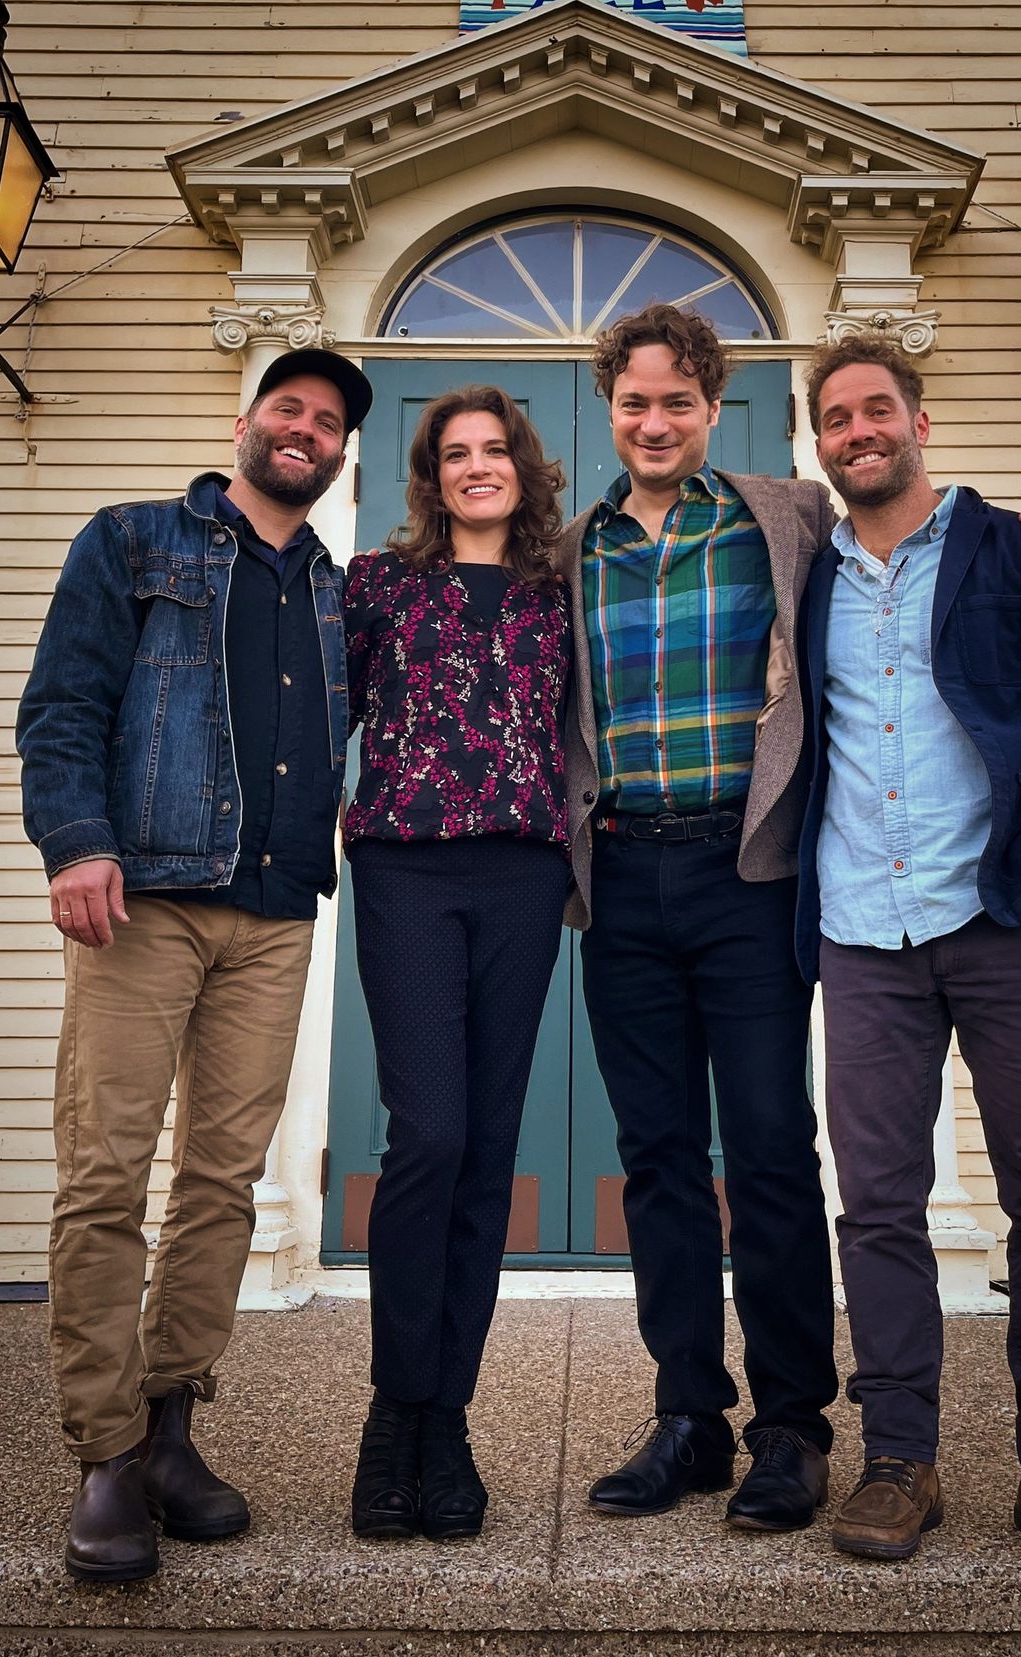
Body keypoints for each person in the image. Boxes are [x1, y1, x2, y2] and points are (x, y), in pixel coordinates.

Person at [556, 303, 1021, 1532]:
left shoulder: (784, 516)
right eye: (634, 402)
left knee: (775, 1151)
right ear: (610, 408)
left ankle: (790, 1425)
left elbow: (922, 527)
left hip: (754, 876)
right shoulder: (568, 548)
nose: (654, 420)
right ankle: (689, 1414)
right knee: (657, 1162)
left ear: (712, 408)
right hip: (626, 877)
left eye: (677, 401)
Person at [15, 347, 372, 1583]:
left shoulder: (339, 585)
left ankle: (171, 1425)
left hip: (275, 912)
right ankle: (104, 1452)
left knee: (222, 1181)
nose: (306, 431)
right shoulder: (131, 541)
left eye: (328, 423)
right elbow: (63, 703)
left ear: (338, 456)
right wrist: (75, 841)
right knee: (105, 1174)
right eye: (291, 408)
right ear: (247, 421)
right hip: (144, 895)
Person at [794, 335, 1021, 1573]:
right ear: (819, 442)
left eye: (876, 410)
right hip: (861, 933)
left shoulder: (1012, 551)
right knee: (878, 1205)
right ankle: (901, 1458)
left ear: (918, 421)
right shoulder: (809, 569)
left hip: (1005, 922)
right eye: (835, 418)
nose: (857, 432)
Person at [343, 385, 572, 1543]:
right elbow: (296, 699)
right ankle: (396, 1410)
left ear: (524, 468)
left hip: (525, 878)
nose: (477, 467)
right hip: (407, 872)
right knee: (428, 1134)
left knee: (486, 1150)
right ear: (428, 477)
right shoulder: (376, 586)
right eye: (454, 454)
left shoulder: (561, 589)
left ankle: (449, 1421)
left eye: (495, 450)